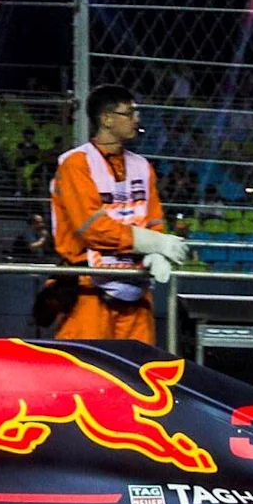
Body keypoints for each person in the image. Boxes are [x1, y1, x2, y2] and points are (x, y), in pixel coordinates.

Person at [48, 85, 190, 347]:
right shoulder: (76, 164)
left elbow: (154, 220)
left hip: (135, 288)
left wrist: (155, 251)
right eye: (130, 112)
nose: (137, 119)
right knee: (87, 371)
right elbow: (92, 228)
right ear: (107, 119)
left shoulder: (142, 166)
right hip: (87, 289)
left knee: (138, 376)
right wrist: (153, 243)